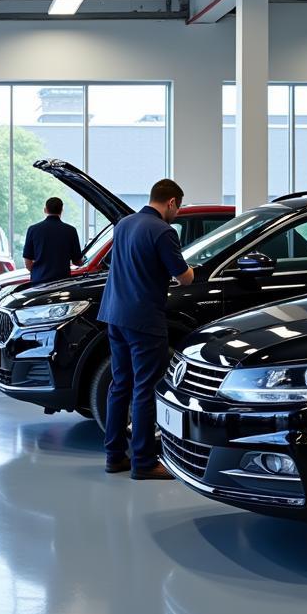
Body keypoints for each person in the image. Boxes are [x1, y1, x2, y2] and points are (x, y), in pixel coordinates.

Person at [97, 178, 194, 481]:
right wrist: (194, 268)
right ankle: (143, 462)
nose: (176, 214)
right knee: (145, 388)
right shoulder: (164, 232)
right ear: (172, 203)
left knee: (119, 385)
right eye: (177, 208)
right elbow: (185, 277)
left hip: (114, 315)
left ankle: (114, 456)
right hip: (144, 320)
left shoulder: (124, 224)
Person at [22, 196, 82, 285]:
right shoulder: (70, 230)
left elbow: (27, 262)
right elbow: (77, 262)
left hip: (39, 282)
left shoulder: (33, 229)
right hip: (62, 282)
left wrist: (38, 272)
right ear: (61, 210)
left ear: (45, 210)